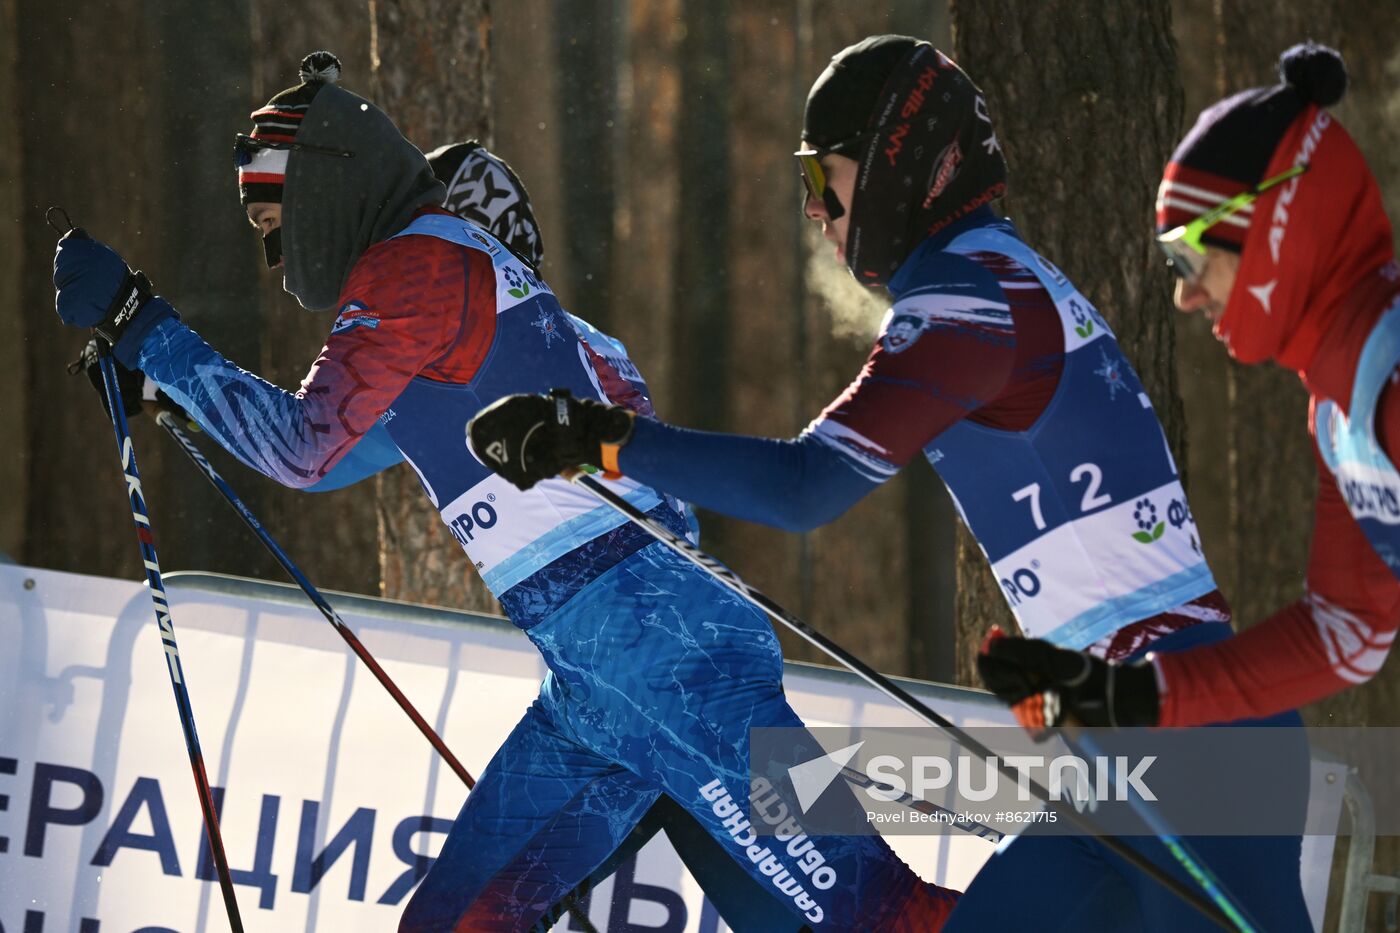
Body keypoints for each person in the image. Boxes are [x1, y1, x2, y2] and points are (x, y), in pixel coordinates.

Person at [52, 51, 956, 932]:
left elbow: (305, 449)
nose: (276, 250)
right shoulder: (475, 306)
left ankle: (1041, 877)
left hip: (654, 650)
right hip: (603, 668)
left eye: (272, 219)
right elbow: (346, 447)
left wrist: (146, 326)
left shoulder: (413, 267)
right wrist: (166, 386)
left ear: (324, 184)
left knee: (884, 912)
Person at [468, 34, 1312, 930]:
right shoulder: (1001, 276)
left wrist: (601, 439)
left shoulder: (970, 296)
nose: (812, 208)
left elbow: (804, 487)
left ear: (895, 167)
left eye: (820, 176)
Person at [968, 43, 1400, 733]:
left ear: (1276, 226)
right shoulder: (1341, 408)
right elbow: (1345, 631)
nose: (1184, 296)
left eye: (1191, 253)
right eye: (1172, 262)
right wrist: (1119, 693)